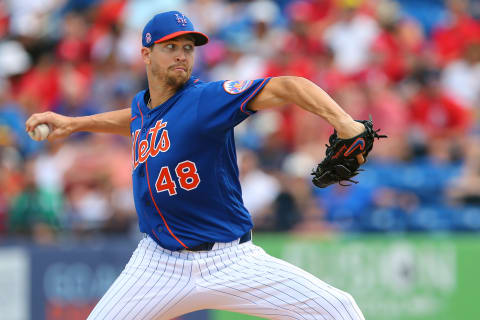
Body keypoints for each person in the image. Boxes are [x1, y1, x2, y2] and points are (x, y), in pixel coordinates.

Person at [26, 11, 366, 320]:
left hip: (230, 261)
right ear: (146, 54)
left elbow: (288, 86)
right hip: (157, 264)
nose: (181, 54)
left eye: (188, 47)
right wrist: (74, 123)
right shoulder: (143, 108)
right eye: (170, 46)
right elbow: (132, 120)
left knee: (340, 310)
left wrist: (344, 122)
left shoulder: (206, 100)